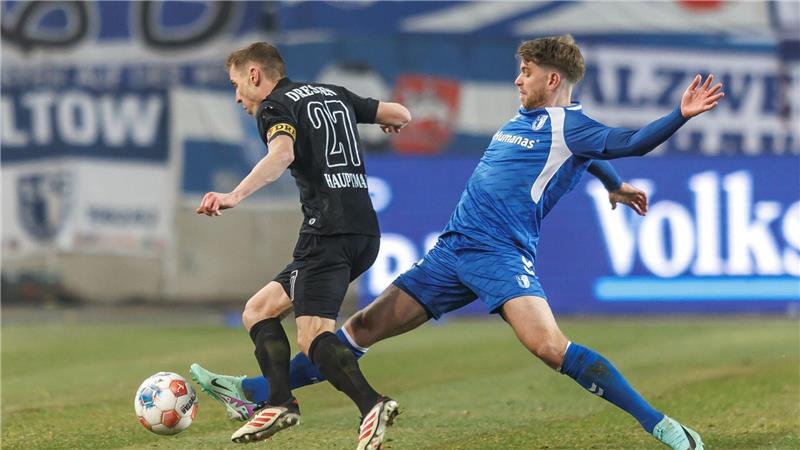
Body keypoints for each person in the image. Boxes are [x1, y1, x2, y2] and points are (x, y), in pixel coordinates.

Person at [193, 35, 722, 450]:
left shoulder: (571, 125)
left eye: (527, 73)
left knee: (550, 348)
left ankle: (661, 426)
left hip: (500, 255)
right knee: (360, 329)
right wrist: (614, 185)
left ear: (552, 78)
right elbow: (590, 156)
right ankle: (253, 391)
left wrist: (678, 116)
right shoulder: (531, 119)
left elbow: (628, 142)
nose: (518, 81)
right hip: (451, 251)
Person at [195, 41, 411, 449]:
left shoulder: (275, 107)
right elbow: (400, 113)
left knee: (313, 338)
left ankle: (370, 404)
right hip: (365, 233)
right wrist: (390, 122)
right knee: (259, 309)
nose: (238, 96)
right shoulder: (333, 93)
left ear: (255, 75)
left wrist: (233, 196)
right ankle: (278, 401)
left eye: (237, 84)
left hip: (327, 231)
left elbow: (281, 153)